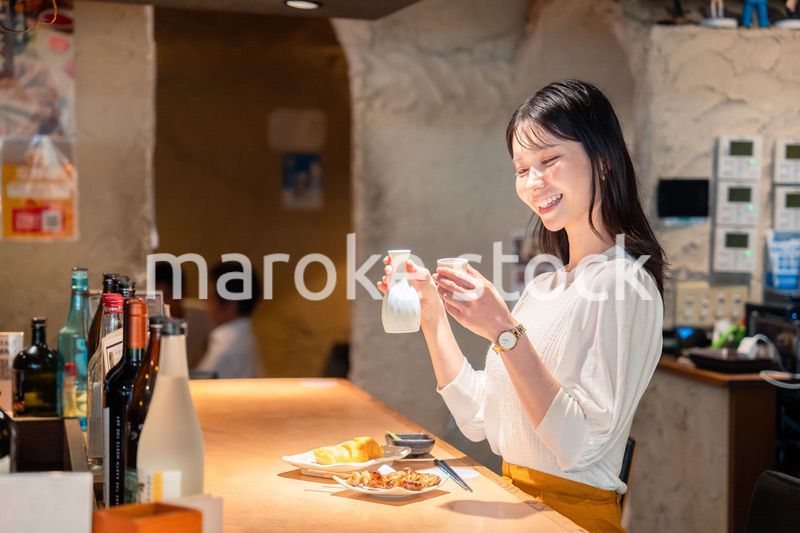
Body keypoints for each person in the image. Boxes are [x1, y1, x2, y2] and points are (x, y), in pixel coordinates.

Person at [378, 80, 666, 532]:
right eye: (521, 168)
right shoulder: (546, 285)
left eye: (549, 160)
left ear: (604, 160)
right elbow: (480, 421)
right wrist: (432, 316)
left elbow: (577, 445)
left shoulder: (625, 283)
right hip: (513, 505)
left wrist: (504, 332)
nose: (534, 182)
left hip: (570, 518)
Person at [197, 261, 264, 379]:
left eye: (209, 298)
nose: (205, 305)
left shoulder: (226, 347)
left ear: (231, 305)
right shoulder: (245, 337)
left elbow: (197, 388)